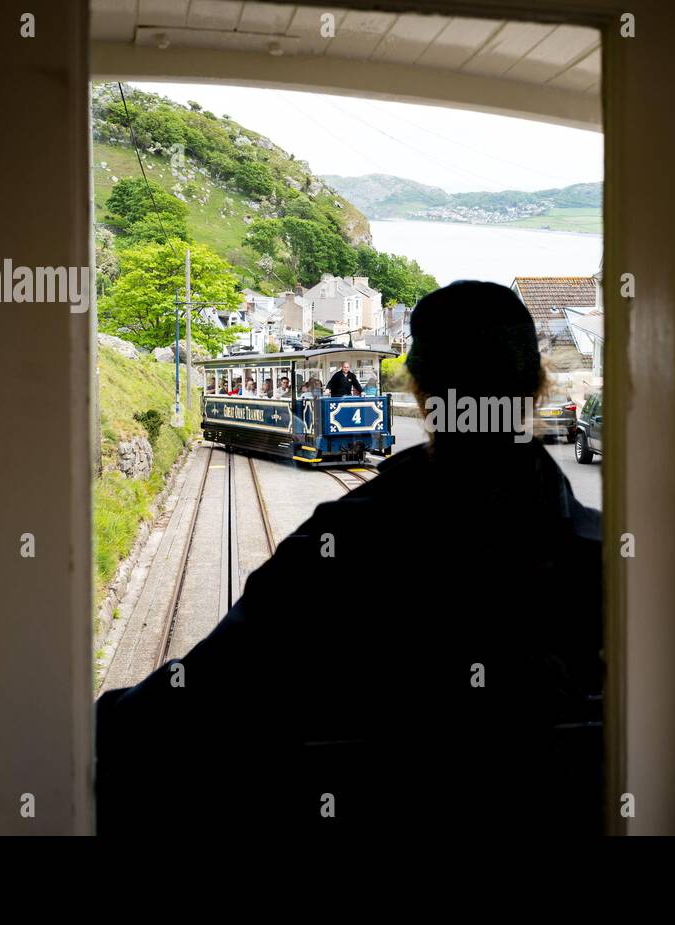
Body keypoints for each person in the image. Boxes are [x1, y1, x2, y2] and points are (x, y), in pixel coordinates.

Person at [92, 282, 603, 834]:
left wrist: (100, 722)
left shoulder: (342, 546)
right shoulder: (604, 558)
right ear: (537, 389)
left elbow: (203, 691)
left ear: (423, 391)